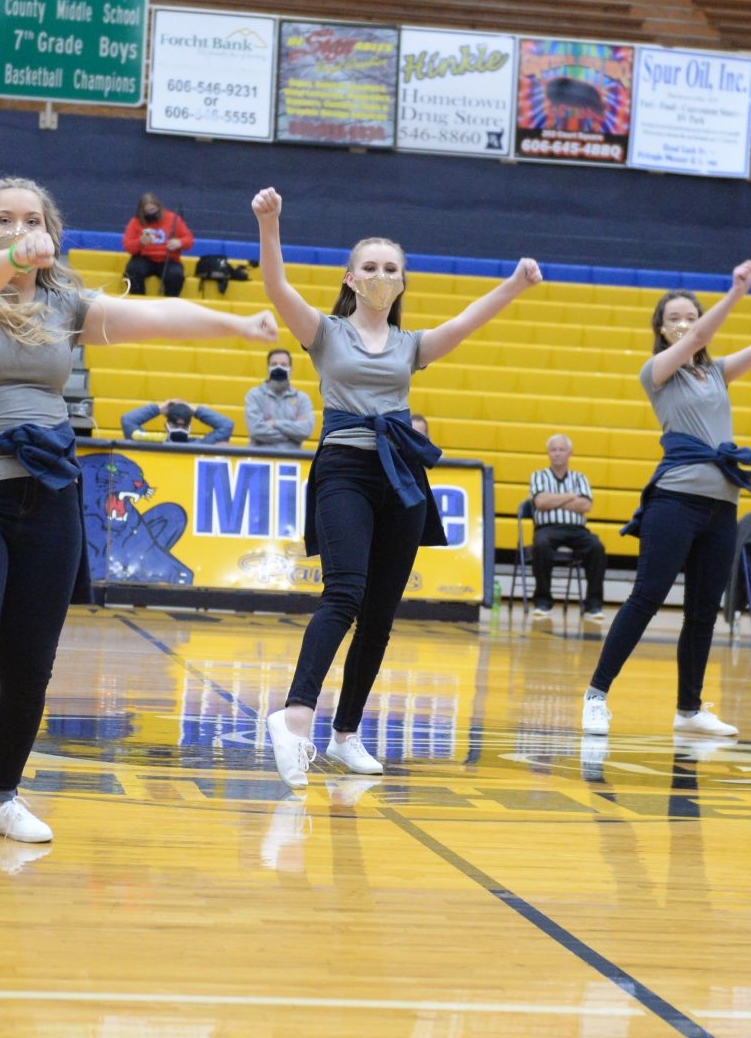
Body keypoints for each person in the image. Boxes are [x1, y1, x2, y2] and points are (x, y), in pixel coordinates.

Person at [0, 177, 275, 863]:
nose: (18, 228)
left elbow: (157, 318)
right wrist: (13, 258)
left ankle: (0, 798)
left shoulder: (64, 305)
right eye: (4, 220)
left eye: (31, 220)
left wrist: (239, 326)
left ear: (51, 232)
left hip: (50, 495)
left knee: (30, 659)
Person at [250, 184, 541, 786]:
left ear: (403, 281)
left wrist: (514, 285)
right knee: (344, 594)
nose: (381, 276)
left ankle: (346, 734)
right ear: (350, 278)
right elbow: (277, 287)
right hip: (344, 469)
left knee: (381, 615)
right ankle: (295, 716)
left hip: (402, 477)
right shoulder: (326, 332)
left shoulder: (412, 346)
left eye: (391, 268)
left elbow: (468, 321)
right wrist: (270, 223)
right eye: (370, 267)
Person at [584, 266, 751, 740]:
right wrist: (735, 294)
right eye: (673, 318)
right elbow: (699, 338)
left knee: (704, 610)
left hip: (722, 507)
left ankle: (689, 710)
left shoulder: (717, 373)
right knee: (647, 597)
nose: (683, 324)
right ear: (660, 329)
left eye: (690, 316)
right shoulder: (657, 372)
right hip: (674, 501)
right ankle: (596, 695)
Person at [528, 434, 607, 620]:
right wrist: (571, 496)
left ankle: (593, 605)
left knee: (597, 547)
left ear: (570, 453)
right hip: (547, 529)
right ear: (548, 453)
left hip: (576, 530)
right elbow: (540, 502)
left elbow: (585, 505)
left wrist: (553, 500)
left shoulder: (580, 478)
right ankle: (543, 601)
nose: (557, 453)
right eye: (553, 450)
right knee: (541, 546)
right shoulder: (538, 476)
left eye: (561, 450)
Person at [122, 193, 194, 297]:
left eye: (153, 209)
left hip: (168, 259)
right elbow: (127, 246)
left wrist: (180, 242)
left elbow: (189, 240)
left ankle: (169, 302)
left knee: (176, 275)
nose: (151, 213)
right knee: (132, 272)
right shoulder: (135, 222)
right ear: (142, 211)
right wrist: (140, 242)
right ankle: (139, 300)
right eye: (147, 211)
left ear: (159, 207)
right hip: (143, 258)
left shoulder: (173, 219)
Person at [243, 347, 315, 450]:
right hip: (260, 456)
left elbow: (306, 431)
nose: (278, 368)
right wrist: (292, 435)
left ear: (291, 369)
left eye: (283, 365)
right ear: (268, 368)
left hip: (291, 457)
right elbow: (255, 430)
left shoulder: (302, 399)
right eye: (274, 364)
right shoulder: (254, 395)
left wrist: (275, 423)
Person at [118, 400, 235, 443]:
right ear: (166, 427)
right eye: (175, 425)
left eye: (183, 426)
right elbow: (128, 420)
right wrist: (158, 409)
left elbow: (227, 425)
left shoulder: (201, 446)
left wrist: (194, 410)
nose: (179, 428)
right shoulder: (153, 443)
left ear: (189, 428)